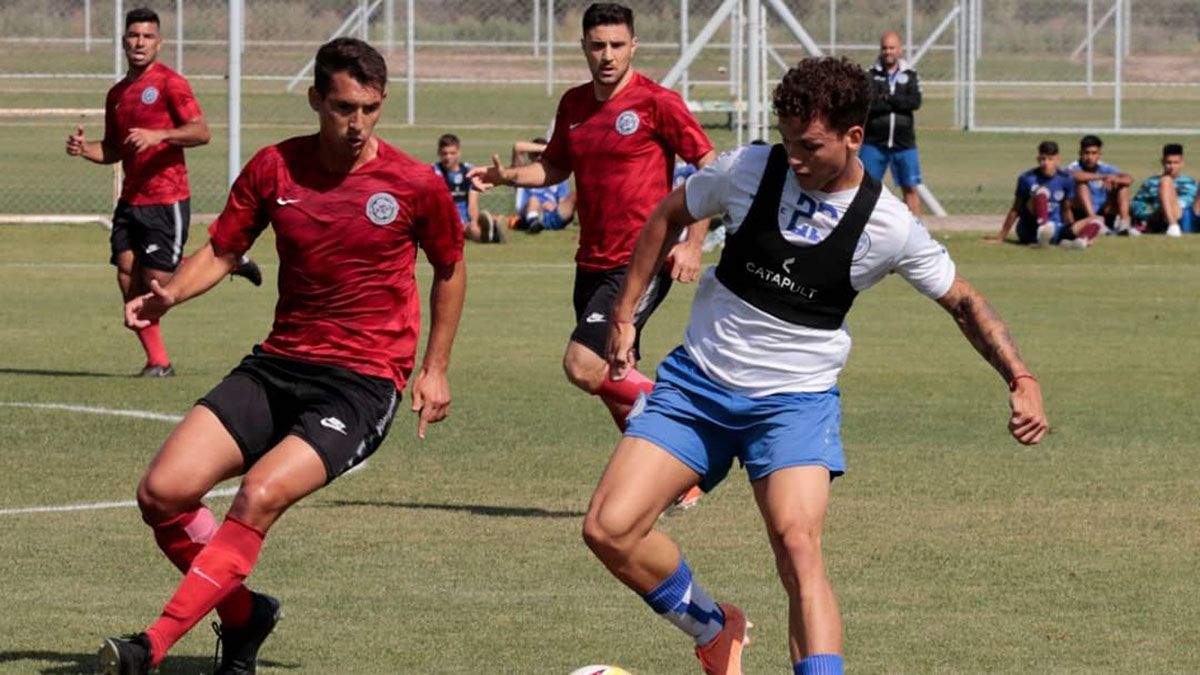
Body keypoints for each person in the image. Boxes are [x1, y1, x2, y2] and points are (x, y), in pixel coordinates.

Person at [582, 57, 1048, 675]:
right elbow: (670, 215)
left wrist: (1021, 378)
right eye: (787, 140)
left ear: (855, 137)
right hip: (697, 386)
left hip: (792, 405)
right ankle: (715, 630)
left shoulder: (889, 225)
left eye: (811, 145)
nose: (794, 157)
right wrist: (623, 315)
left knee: (798, 548)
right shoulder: (749, 169)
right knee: (608, 530)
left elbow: (964, 301)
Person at [96, 37, 466, 675]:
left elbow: (451, 268)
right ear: (317, 98)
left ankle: (150, 647)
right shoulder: (275, 168)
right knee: (161, 493)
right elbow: (220, 250)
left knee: (259, 493)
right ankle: (246, 616)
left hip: (360, 382)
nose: (357, 124)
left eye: (371, 109)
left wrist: (434, 367)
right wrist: (168, 297)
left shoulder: (412, 183)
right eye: (344, 107)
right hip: (279, 364)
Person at [469, 2, 715, 442]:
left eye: (617, 45)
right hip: (591, 262)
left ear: (633, 46)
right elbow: (554, 168)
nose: (608, 55)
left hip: (639, 262)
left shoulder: (658, 102)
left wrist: (692, 242)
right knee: (616, 374)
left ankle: (690, 416)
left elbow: (710, 168)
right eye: (598, 45)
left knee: (583, 364)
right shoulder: (574, 104)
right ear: (583, 46)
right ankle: (676, 481)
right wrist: (508, 176)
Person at [64, 6, 261, 378]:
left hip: (166, 199)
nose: (140, 42)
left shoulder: (171, 83)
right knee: (127, 276)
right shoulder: (118, 93)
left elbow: (201, 131)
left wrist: (160, 135)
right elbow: (114, 149)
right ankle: (158, 362)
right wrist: (83, 149)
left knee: (160, 283)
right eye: (133, 35)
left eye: (147, 36)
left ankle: (229, 261)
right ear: (123, 41)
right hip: (131, 199)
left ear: (159, 42)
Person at [991, 140, 1101, 249]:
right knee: (1042, 191)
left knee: (1097, 219)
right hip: (1029, 230)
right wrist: (1001, 237)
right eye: (1043, 159)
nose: (1046, 163)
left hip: (1055, 229)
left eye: (1050, 159)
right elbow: (1015, 209)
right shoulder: (1026, 178)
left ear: (1058, 160)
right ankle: (1043, 227)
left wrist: (1070, 231)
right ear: (1038, 159)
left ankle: (1081, 241)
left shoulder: (1066, 179)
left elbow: (1066, 209)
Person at [860, 30, 924, 216]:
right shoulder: (870, 75)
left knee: (910, 188)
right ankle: (860, 231)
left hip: (904, 143)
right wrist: (895, 100)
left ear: (900, 49)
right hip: (874, 142)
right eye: (884, 48)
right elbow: (869, 103)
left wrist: (887, 98)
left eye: (892, 48)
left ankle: (916, 233)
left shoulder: (910, 75)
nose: (888, 52)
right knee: (865, 189)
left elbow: (914, 102)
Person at [433, 133, 503, 243]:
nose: (448, 157)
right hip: (445, 219)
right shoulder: (434, 172)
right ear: (439, 153)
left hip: (466, 218)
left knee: (493, 219)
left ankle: (490, 231)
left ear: (459, 153)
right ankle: (490, 235)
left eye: (452, 153)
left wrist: (474, 221)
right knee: (473, 229)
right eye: (444, 153)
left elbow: (473, 203)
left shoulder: (469, 171)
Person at [1068, 134, 1136, 236]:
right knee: (1082, 185)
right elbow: (1076, 176)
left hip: (1104, 210)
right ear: (1080, 154)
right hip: (1082, 213)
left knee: (1123, 187)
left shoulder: (1105, 168)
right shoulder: (1074, 166)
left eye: (1094, 153)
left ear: (1099, 154)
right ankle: (1094, 221)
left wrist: (1115, 179)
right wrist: (1103, 177)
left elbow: (1129, 179)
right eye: (1086, 153)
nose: (1090, 157)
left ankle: (1124, 225)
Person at [1130, 143, 1198, 237]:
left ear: (1182, 163)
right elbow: (1136, 204)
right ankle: (1173, 227)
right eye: (1168, 163)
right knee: (1166, 180)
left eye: (1176, 163)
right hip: (1165, 217)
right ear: (1162, 162)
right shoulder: (1151, 182)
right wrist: (1149, 214)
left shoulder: (1192, 182)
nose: (1172, 167)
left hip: (1190, 216)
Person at [510, 137, 575, 233]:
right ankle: (534, 223)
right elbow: (518, 147)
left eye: (543, 155)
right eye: (536, 155)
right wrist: (546, 148)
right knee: (534, 200)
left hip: (553, 214)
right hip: (529, 213)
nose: (540, 158)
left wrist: (554, 206)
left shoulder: (557, 175)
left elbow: (562, 200)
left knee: (577, 193)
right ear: (530, 156)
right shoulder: (522, 175)